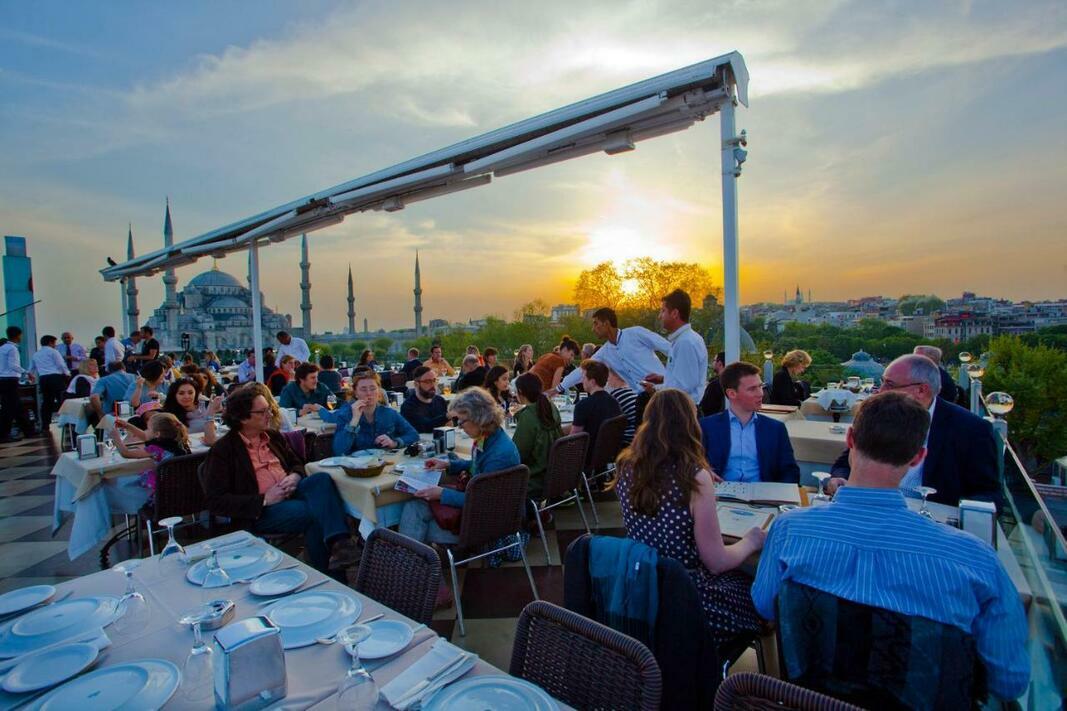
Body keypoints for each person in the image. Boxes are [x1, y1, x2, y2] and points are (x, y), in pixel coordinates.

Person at [751, 392, 1028, 702]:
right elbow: (1009, 682)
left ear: (850, 439)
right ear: (918, 457)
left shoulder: (789, 530)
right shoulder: (975, 561)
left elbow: (765, 605)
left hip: (809, 701)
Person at [613, 388, 766, 646]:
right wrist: (752, 540)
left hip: (641, 588)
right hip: (687, 599)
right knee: (759, 587)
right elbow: (716, 562)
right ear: (689, 424)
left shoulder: (627, 466)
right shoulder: (693, 478)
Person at [202, 386, 356, 573]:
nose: (270, 414)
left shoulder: (273, 437)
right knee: (312, 512)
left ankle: (340, 543)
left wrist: (295, 476)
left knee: (321, 479)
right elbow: (215, 501)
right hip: (260, 511)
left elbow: (297, 463)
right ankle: (330, 572)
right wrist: (265, 499)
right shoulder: (224, 450)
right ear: (242, 417)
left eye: (269, 409)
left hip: (291, 492)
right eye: (262, 412)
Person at [826, 353, 1001, 508]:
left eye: (889, 384)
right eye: (882, 382)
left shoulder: (970, 429)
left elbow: (988, 493)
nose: (880, 391)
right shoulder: (879, 413)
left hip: (932, 519)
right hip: (871, 507)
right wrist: (838, 479)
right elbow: (844, 464)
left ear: (921, 390)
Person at [399, 387, 519, 541]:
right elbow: (479, 466)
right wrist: (449, 465)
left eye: (462, 421)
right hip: (484, 512)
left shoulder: (500, 454)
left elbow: (483, 500)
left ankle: (407, 555)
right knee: (415, 508)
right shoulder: (491, 438)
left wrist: (442, 494)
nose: (460, 426)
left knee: (415, 519)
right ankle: (410, 553)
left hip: (486, 526)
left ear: (478, 417)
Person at [699, 361, 800, 483]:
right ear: (732, 393)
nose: (761, 393)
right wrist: (702, 472)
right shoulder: (707, 427)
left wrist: (776, 492)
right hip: (720, 491)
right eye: (752, 389)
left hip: (763, 492)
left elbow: (790, 471)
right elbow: (690, 463)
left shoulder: (775, 428)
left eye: (760, 386)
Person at [558, 308, 669, 395]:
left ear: (606, 323)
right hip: (641, 398)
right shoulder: (605, 352)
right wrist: (558, 388)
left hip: (665, 392)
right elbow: (583, 370)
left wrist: (673, 377)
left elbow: (669, 349)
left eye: (596, 323)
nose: (593, 329)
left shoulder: (636, 333)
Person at [319, 370, 418, 455]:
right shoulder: (346, 414)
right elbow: (339, 450)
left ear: (378, 391)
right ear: (356, 393)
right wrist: (354, 420)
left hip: (384, 463)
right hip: (357, 466)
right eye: (363, 389)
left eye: (373, 388)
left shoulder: (389, 413)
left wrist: (394, 443)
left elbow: (413, 434)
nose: (369, 393)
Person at [641, 290, 708, 403]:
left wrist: (655, 389)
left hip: (682, 409)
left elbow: (683, 387)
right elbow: (685, 378)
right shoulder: (685, 339)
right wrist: (664, 379)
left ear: (675, 313)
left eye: (663, 311)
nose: (660, 316)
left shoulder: (685, 342)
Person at [112, 412, 192, 504]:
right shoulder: (180, 442)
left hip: (165, 493)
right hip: (184, 489)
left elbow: (126, 453)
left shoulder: (155, 449)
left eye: (148, 429)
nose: (146, 430)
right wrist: (127, 426)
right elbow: (146, 436)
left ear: (157, 434)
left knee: (122, 482)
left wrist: (115, 437)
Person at [512, 373, 563, 501]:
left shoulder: (528, 417)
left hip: (535, 479)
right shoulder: (550, 407)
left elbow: (517, 455)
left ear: (520, 392)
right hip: (556, 475)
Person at [570, 360, 623, 468]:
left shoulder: (583, 405)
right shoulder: (614, 403)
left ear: (592, 382)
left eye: (584, 378)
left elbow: (573, 439)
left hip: (586, 457)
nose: (582, 381)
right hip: (608, 456)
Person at [158, 376, 222, 445]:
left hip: (208, 445)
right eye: (181, 393)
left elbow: (217, 426)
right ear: (174, 395)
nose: (186, 396)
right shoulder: (169, 414)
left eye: (190, 393)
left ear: (196, 393)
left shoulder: (205, 405)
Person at [0, 326, 35, 441]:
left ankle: (28, 430)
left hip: (3, 380)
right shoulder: (12, 349)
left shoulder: (2, 348)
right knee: (11, 407)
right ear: (18, 335)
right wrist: (27, 372)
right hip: (10, 380)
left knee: (14, 406)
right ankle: (5, 434)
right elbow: (13, 365)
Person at [31, 335, 69, 429]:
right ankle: (67, 422)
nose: (55, 345)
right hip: (55, 377)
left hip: (43, 378)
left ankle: (45, 424)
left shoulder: (36, 354)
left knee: (47, 402)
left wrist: (30, 375)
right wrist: (67, 373)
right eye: (54, 343)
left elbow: (32, 367)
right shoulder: (54, 352)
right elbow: (61, 364)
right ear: (50, 343)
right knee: (62, 400)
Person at [401, 366, 448, 433]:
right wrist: (447, 416)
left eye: (434, 380)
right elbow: (425, 427)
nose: (433, 385)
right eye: (428, 381)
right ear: (416, 384)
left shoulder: (440, 401)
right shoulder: (409, 406)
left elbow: (449, 425)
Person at [606, 368, 638, 444]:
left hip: (625, 442)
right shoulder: (633, 392)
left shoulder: (616, 396)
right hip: (636, 438)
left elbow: (607, 425)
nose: (607, 379)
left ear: (617, 376)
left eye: (609, 375)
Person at [699, 351, 727, 416]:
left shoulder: (714, 385)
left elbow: (705, 406)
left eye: (714, 360)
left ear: (719, 363)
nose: (712, 363)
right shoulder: (731, 381)